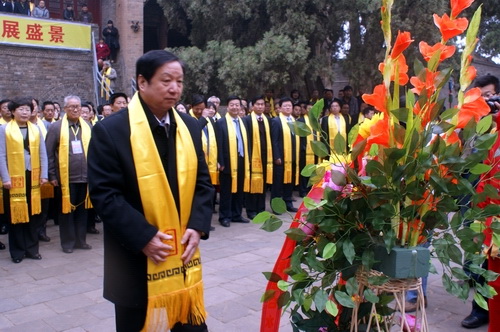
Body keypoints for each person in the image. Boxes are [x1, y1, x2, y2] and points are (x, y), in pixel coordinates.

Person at [88, 50, 213, 332]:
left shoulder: (190, 127)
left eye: (179, 82)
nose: (174, 89)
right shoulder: (111, 131)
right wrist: (143, 237)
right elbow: (105, 195)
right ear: (142, 82)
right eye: (166, 80)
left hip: (181, 253)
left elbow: (203, 182)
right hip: (135, 258)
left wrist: (197, 224)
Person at [461, 74, 500, 330]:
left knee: (492, 260)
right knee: (473, 260)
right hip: (474, 201)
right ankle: (480, 308)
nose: (487, 101)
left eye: (490, 95)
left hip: (494, 206)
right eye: (481, 97)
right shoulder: (472, 124)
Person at [0, 98, 48, 263]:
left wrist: (44, 175)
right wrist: (5, 178)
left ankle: (32, 249)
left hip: (32, 175)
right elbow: (1, 155)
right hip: (13, 178)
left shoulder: (35, 129)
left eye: (27, 109)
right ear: (13, 111)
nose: (25, 112)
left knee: (33, 215)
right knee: (16, 216)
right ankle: (18, 251)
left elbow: (43, 153)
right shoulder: (4, 129)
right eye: (21, 109)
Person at [45, 95, 93, 254]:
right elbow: (49, 153)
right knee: (66, 212)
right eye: (71, 106)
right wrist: (52, 176)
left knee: (81, 211)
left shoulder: (87, 125)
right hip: (65, 178)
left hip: (84, 176)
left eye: (78, 106)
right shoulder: (56, 127)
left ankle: (81, 240)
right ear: (65, 109)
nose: (75, 109)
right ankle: (68, 242)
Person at [215, 96, 250, 227]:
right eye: (232, 105)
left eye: (237, 105)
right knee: (226, 190)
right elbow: (218, 144)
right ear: (227, 107)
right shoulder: (221, 123)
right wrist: (220, 162)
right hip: (227, 161)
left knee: (240, 189)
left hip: (241, 160)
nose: (235, 107)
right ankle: (224, 216)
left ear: (241, 107)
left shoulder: (243, 122)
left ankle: (237, 214)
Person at [242, 96, 273, 219]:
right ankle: (251, 210)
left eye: (262, 104)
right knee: (252, 182)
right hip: (253, 156)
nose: (260, 107)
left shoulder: (268, 120)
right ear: (252, 106)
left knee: (263, 184)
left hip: (265, 157)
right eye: (258, 104)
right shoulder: (247, 120)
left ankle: (261, 209)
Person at [270, 97, 300, 213]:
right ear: (280, 108)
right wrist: (276, 156)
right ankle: (276, 206)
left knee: (289, 181)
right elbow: (275, 140)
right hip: (281, 158)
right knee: (278, 183)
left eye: (290, 106)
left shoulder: (294, 120)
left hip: (292, 156)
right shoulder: (276, 121)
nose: (288, 108)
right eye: (285, 106)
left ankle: (288, 203)